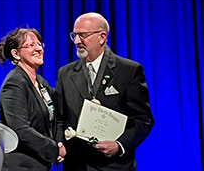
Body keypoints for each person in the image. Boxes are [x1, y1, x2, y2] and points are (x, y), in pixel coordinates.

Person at [55, 12, 154, 171]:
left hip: (114, 166)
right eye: (75, 35)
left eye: (83, 35)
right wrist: (60, 143)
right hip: (76, 165)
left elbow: (143, 119)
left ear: (102, 37)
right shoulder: (65, 74)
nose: (77, 41)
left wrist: (119, 144)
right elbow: (59, 119)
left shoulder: (128, 71)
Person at [0, 27, 66, 171]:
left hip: (39, 164)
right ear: (16, 54)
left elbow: (57, 115)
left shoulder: (41, 83)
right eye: (31, 45)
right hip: (19, 165)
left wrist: (60, 142)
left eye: (39, 44)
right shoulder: (14, 83)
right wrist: (53, 149)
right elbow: (20, 129)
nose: (39, 49)